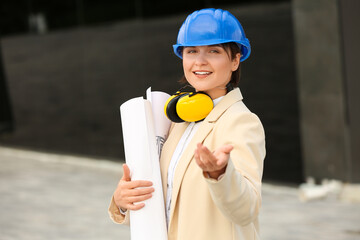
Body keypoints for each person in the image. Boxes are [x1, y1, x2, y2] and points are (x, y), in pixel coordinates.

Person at [109, 8, 266, 240]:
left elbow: (246, 210)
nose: (199, 61)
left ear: (235, 60)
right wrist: (123, 201)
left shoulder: (241, 122)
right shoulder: (180, 119)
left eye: (214, 51)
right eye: (191, 51)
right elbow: (168, 202)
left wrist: (221, 174)